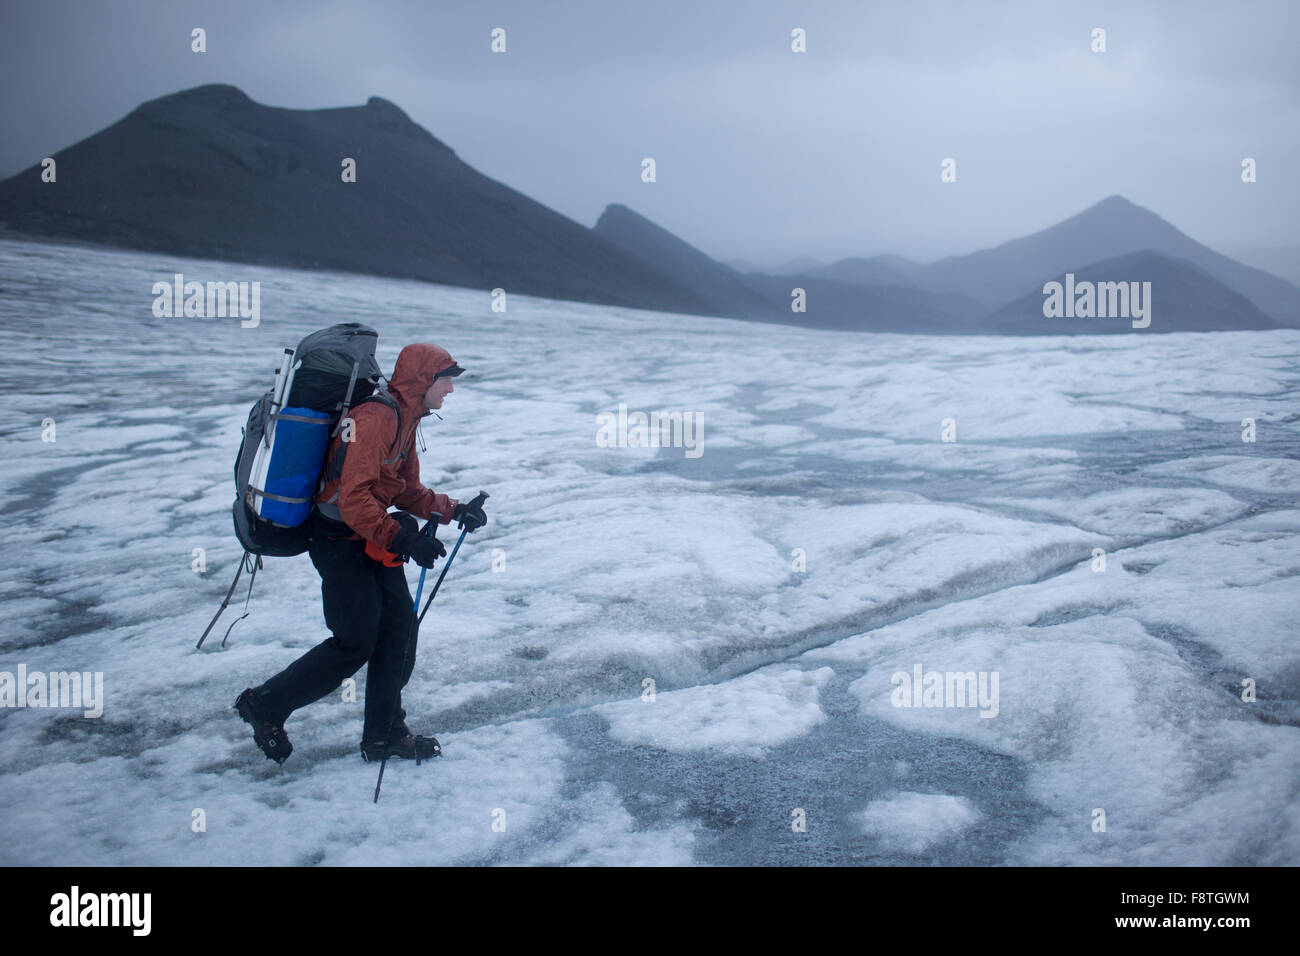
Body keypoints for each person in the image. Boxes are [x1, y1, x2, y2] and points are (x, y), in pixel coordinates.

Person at [234, 343, 487, 765]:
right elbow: (352, 500)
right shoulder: (375, 418)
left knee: (400, 634)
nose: (450, 390)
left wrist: (452, 509)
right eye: (446, 379)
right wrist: (404, 540)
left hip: (368, 536)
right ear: (423, 380)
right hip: (335, 538)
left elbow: (404, 489)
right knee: (356, 640)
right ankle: (265, 704)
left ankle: (385, 733)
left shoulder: (407, 417)